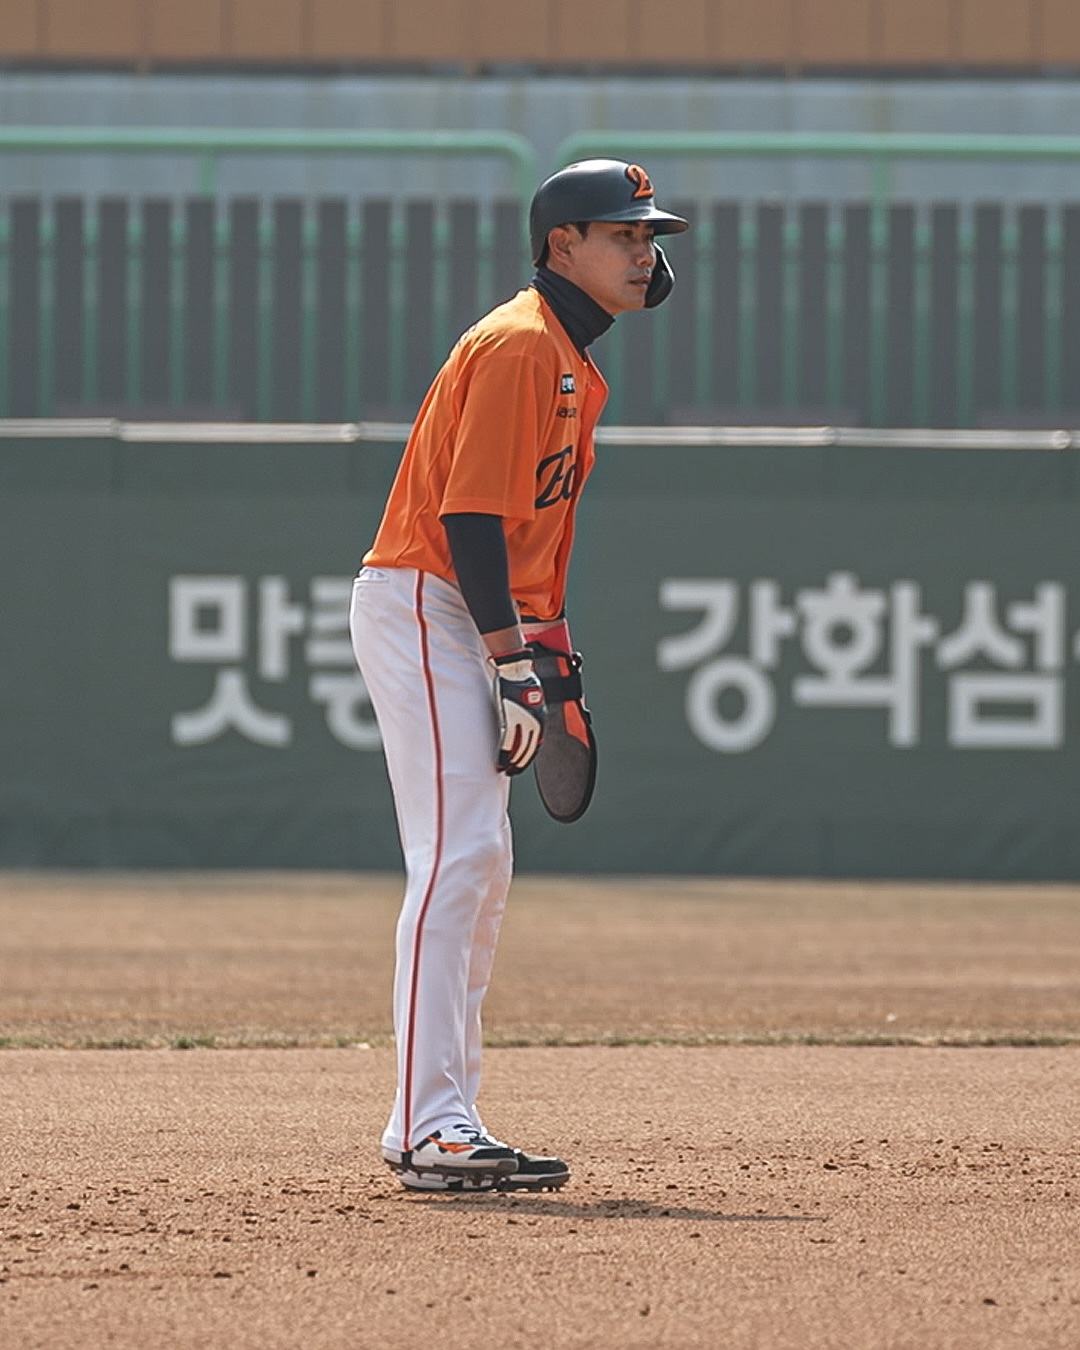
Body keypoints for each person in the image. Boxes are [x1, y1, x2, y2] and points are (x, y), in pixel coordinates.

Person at [349, 159, 688, 1193]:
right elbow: (468, 519)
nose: (645, 252)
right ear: (560, 247)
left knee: (482, 860)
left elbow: (524, 536)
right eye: (622, 234)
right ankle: (428, 1127)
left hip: (473, 613)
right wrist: (508, 658)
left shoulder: (569, 356)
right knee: (455, 856)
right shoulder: (520, 345)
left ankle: (441, 1116)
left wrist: (543, 650)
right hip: (428, 602)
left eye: (649, 236)